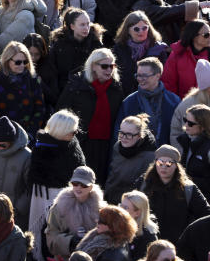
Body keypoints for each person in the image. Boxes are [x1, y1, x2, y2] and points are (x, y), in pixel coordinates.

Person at [58, 48, 125, 179]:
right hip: (82, 143)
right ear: (93, 66)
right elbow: (61, 111)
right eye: (105, 66)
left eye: (112, 66)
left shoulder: (116, 88)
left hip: (107, 145)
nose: (109, 70)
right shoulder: (76, 85)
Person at [141, 145, 210, 244]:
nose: (164, 167)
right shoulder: (143, 184)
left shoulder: (188, 189)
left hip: (179, 246)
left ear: (176, 166)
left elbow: (206, 215)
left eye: (169, 163)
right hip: (147, 244)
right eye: (160, 162)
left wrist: (192, 237)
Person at [105, 114, 157, 203]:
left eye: (129, 135)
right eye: (121, 133)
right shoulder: (117, 146)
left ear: (140, 135)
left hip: (131, 204)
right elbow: (113, 175)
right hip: (111, 198)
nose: (124, 138)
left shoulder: (150, 156)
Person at [180, 104, 210, 197]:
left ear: (203, 126)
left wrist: (191, 180)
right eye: (185, 120)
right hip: (190, 195)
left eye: (191, 123)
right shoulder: (187, 140)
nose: (186, 125)